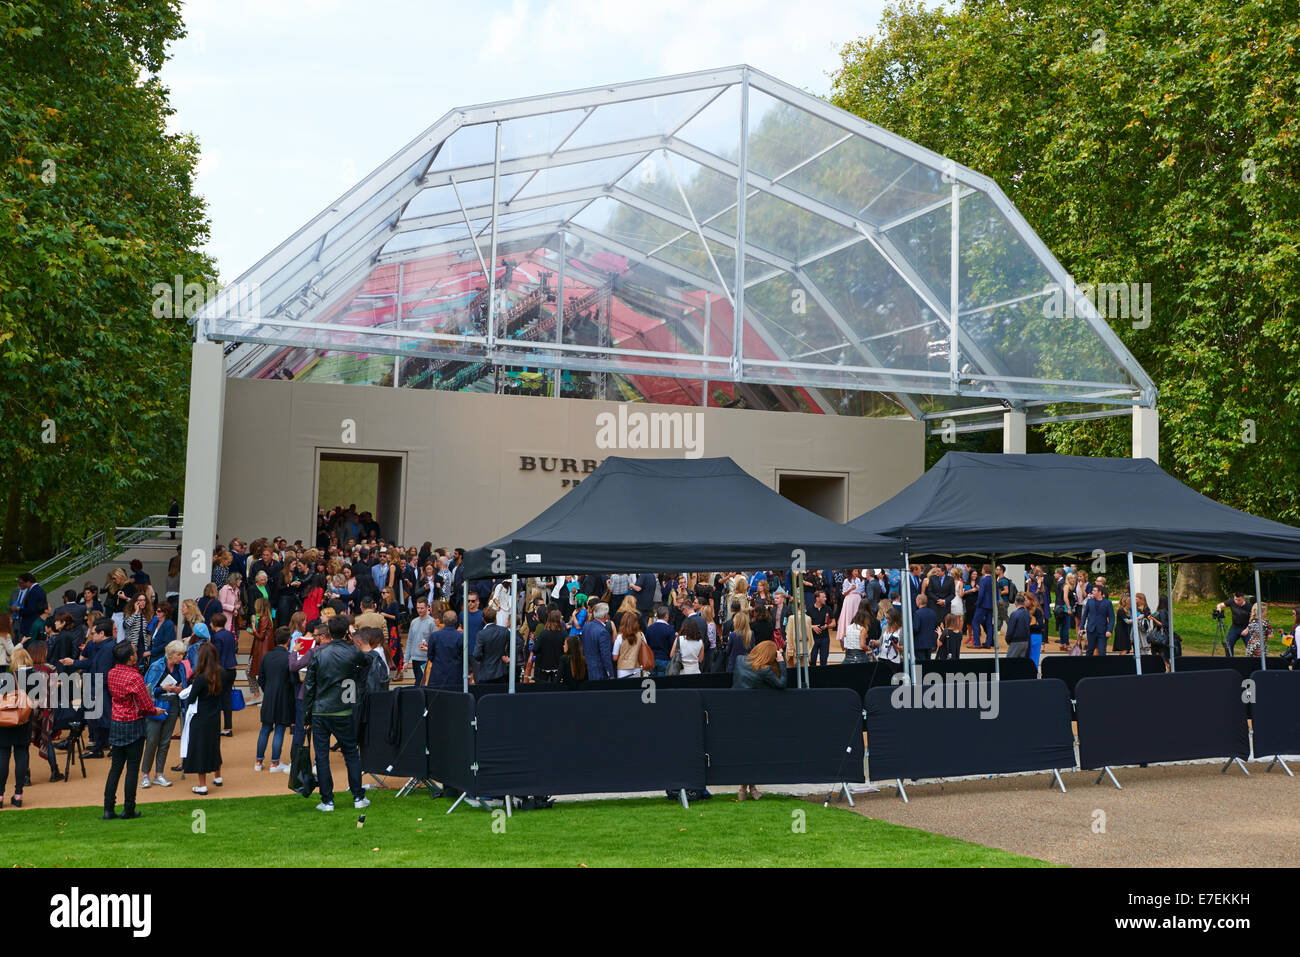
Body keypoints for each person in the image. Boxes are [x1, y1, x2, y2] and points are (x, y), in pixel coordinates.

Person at [303, 615, 372, 812]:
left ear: (329, 633)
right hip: (343, 708)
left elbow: (309, 686)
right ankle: (358, 796)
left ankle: (328, 800)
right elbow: (367, 660)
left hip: (321, 710)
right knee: (351, 753)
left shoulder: (319, 653)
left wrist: (306, 715)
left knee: (322, 756)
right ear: (346, 632)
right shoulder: (352, 652)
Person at [103, 641, 165, 819]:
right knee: (131, 769)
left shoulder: (112, 673)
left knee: (115, 768)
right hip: (133, 723)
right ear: (130, 657)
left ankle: (108, 809)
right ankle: (128, 809)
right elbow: (145, 704)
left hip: (117, 722)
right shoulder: (135, 677)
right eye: (134, 652)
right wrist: (155, 710)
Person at [731, 640, 786, 801]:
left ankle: (747, 788)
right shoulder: (765, 670)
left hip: (734, 711)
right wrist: (781, 663)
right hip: (752, 713)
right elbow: (782, 684)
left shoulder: (740, 660)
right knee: (752, 750)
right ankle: (747, 788)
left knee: (745, 750)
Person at [140, 639, 188, 789]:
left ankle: (159, 774)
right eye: (179, 655)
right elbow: (148, 689)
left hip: (173, 704)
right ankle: (145, 774)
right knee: (152, 739)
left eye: (183, 655)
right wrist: (163, 688)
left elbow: (184, 686)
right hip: (157, 705)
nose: (182, 658)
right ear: (171, 654)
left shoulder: (181, 668)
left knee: (165, 741)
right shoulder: (156, 666)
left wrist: (180, 690)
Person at [179, 643, 224, 794]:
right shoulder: (221, 673)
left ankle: (202, 785)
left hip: (200, 717)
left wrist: (182, 690)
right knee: (214, 745)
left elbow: (190, 699)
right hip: (215, 715)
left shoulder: (201, 678)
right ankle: (218, 777)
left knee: (200, 749)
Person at [255, 628, 296, 773]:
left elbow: (261, 678)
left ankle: (258, 761)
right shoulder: (289, 657)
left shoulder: (267, 656)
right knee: (279, 729)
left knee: (265, 728)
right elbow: (293, 681)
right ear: (288, 641)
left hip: (269, 697)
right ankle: (274, 763)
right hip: (284, 698)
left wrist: (268, 690)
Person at [208, 612, 238, 736]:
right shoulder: (230, 634)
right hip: (232, 669)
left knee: (215, 699)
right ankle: (228, 728)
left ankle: (215, 727)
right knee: (226, 699)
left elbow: (216, 654)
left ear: (214, 624)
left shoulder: (216, 637)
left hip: (221, 670)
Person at [421, 611, 464, 689]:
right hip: (455, 676)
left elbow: (430, 656)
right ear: (456, 621)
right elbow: (463, 656)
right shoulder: (460, 636)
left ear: (443, 620)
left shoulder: (435, 636)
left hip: (438, 676)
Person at [529, 609, 566, 683]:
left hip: (544, 665)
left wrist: (530, 658)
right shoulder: (563, 634)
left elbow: (536, 648)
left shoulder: (544, 633)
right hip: (558, 665)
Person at [580, 603, 614, 681]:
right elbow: (605, 655)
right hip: (600, 671)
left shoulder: (586, 626)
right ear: (605, 615)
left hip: (588, 668)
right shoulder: (603, 632)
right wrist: (610, 674)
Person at [405, 597, 435, 685]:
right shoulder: (414, 622)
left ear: (427, 607)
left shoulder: (432, 622)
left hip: (426, 659)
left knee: (420, 684)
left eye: (422, 608)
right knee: (419, 683)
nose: (419, 610)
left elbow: (435, 643)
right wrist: (406, 660)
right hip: (415, 658)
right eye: (418, 608)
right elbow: (409, 641)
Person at [1079, 584, 1114, 656]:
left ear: (1100, 592)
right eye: (1092, 590)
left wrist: (1109, 630)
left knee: (1102, 651)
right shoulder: (1090, 601)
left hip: (1102, 631)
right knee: (1090, 650)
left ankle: (1102, 666)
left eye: (1094, 590)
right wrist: (1081, 627)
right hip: (1091, 630)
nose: (1092, 592)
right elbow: (1084, 615)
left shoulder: (1107, 603)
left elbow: (1112, 618)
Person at [912, 593, 940, 661]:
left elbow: (915, 628)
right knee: (928, 663)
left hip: (919, 644)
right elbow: (936, 627)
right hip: (930, 643)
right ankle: (928, 672)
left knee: (919, 664)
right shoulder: (933, 613)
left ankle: (919, 672)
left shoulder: (917, 613)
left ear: (918, 601)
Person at [807, 590, 831, 666]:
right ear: (817, 598)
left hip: (825, 638)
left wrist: (827, 626)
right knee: (812, 660)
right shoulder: (809, 610)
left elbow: (834, 623)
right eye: (823, 597)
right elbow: (804, 624)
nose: (825, 599)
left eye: (825, 597)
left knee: (824, 661)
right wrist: (812, 627)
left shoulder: (828, 609)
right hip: (813, 638)